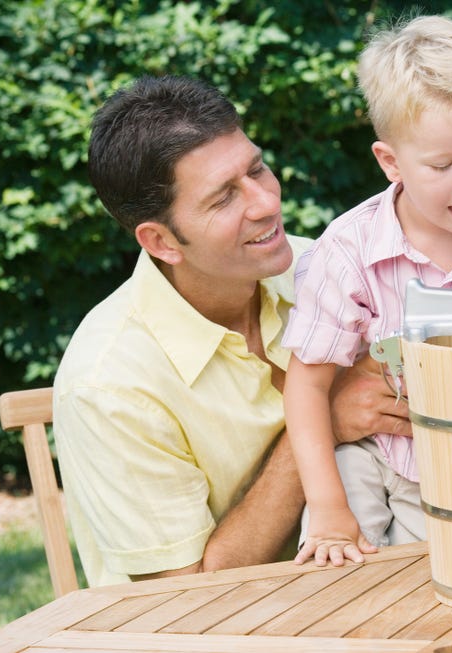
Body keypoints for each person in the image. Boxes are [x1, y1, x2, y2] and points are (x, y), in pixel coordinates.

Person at [53, 75, 409, 586]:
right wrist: (320, 419)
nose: (265, 202)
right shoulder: (106, 386)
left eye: (257, 169)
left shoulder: (331, 271)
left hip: (363, 589)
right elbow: (184, 597)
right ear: (161, 240)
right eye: (223, 198)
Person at [282, 15, 452, 567]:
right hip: (365, 457)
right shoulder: (348, 251)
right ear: (390, 162)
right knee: (335, 568)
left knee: (433, 585)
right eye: (442, 165)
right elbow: (307, 389)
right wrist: (327, 508)